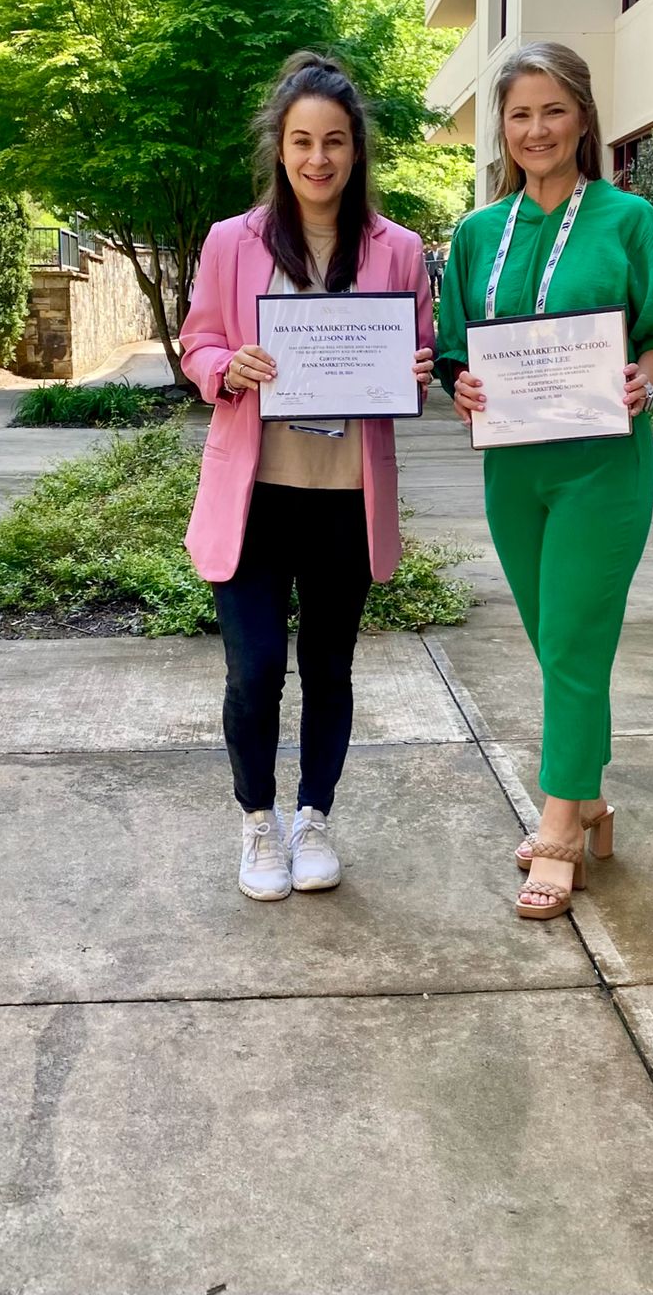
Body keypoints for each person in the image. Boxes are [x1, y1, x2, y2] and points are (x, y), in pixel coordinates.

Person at [436, 41, 653, 920]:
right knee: (554, 641)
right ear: (501, 131)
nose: (536, 129)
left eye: (552, 110)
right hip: (513, 467)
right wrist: (459, 382)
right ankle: (588, 797)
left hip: (601, 464)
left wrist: (647, 379)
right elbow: (454, 348)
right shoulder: (476, 234)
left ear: (583, 117)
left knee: (578, 641)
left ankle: (559, 825)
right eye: (519, 114)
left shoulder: (630, 220)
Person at [180, 53, 435, 901]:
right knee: (254, 668)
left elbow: (418, 349)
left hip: (345, 497)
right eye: (301, 142)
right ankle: (257, 822)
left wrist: (415, 371)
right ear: (279, 149)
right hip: (255, 495)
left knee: (330, 667)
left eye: (334, 141)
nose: (318, 158)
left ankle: (314, 813)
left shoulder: (398, 251)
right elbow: (197, 342)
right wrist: (228, 366)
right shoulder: (232, 242)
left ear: (356, 150)